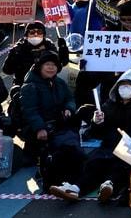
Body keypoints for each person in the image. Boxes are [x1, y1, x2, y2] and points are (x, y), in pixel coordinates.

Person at [77, 67, 131, 205]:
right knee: (93, 162)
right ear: (117, 87)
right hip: (109, 147)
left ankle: (110, 186)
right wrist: (96, 122)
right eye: (123, 85)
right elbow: (97, 132)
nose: (126, 88)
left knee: (121, 166)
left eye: (130, 85)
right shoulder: (109, 106)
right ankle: (76, 189)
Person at [18, 50, 84, 200]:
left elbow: (70, 98)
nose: (51, 68)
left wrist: (69, 108)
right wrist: (40, 128)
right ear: (39, 66)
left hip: (60, 124)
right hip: (43, 128)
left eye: (54, 65)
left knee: (74, 150)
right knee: (66, 150)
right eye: (47, 64)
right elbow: (30, 111)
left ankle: (71, 184)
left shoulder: (59, 82)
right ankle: (59, 183)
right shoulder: (30, 86)